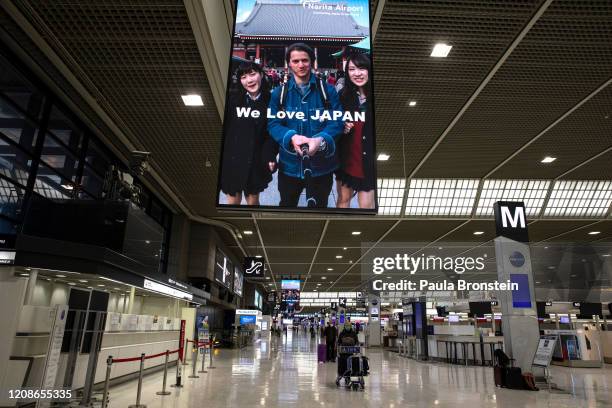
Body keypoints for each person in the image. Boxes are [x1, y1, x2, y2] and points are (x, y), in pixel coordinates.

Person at [268, 43, 344, 208]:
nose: (301, 65)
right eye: (295, 61)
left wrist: (320, 140)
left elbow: (337, 121)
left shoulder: (328, 91)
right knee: (287, 206)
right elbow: (273, 123)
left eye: (305, 60)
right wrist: (291, 137)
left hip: (322, 167)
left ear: (312, 61)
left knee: (320, 207)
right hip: (289, 167)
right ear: (289, 64)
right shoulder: (278, 94)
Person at [220, 62, 278, 205]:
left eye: (253, 74)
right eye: (244, 77)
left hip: (256, 158)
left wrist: (270, 155)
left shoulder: (272, 101)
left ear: (262, 75)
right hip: (233, 157)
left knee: (253, 200)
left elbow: (273, 132)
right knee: (233, 200)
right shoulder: (232, 100)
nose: (249, 80)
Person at [335, 53, 375, 209]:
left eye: (362, 68)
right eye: (352, 69)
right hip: (347, 158)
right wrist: (342, 126)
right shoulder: (342, 96)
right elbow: (333, 122)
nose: (357, 73)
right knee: (343, 199)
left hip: (368, 160)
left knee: (365, 205)